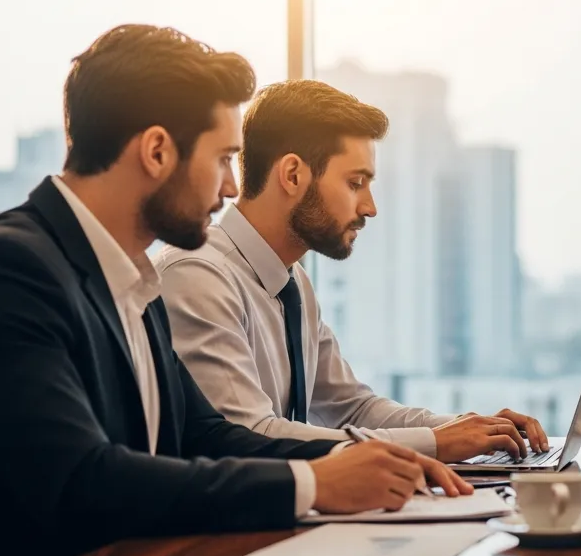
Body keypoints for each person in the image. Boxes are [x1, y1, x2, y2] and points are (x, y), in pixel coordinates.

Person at [0, 25, 468, 556]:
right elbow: (81, 477)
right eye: (223, 160)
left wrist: (352, 466)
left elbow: (210, 436)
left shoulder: (130, 279)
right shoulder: (16, 268)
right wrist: (314, 486)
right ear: (157, 151)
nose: (228, 189)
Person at [155, 80, 548, 463]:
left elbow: (351, 409)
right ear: (293, 175)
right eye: (355, 183)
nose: (370, 207)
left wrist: (471, 430)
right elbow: (250, 435)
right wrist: (434, 442)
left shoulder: (292, 284)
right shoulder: (198, 275)